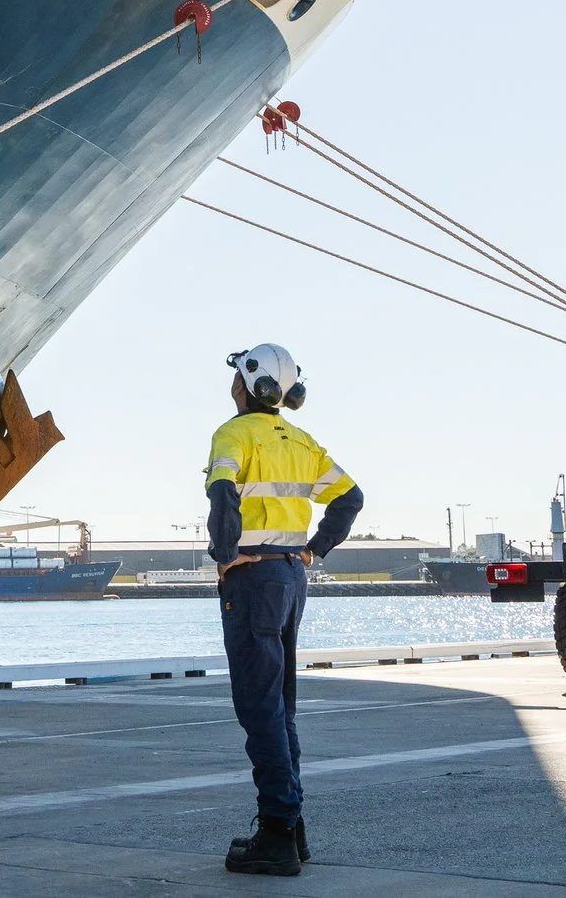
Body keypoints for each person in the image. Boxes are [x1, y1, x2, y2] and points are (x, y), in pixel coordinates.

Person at [207, 344, 364, 876]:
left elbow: (223, 496)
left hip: (253, 578)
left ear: (247, 385)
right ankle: (291, 830)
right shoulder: (302, 442)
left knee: (259, 707)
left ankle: (277, 833)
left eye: (236, 376)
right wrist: (314, 549)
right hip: (293, 576)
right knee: (280, 708)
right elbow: (350, 498)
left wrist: (226, 556)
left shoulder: (233, 435)